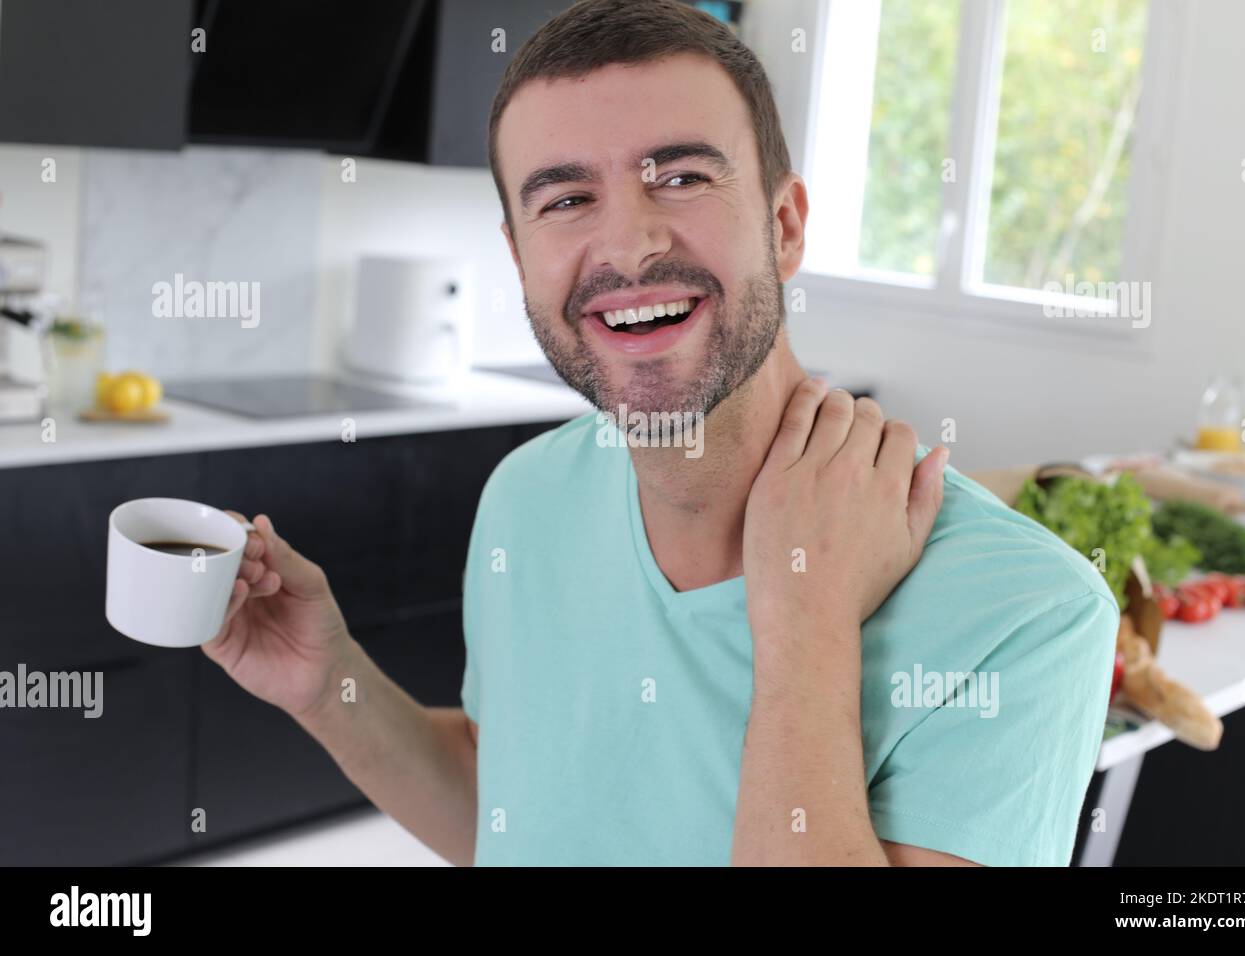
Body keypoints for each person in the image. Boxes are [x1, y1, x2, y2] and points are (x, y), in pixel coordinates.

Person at [208, 0, 1118, 867]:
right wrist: (329, 686)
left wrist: (804, 625)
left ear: (784, 226)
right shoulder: (526, 498)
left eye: (681, 179)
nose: (628, 246)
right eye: (566, 199)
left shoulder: (1027, 614)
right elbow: (511, 817)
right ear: (519, 257)